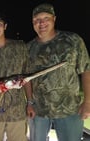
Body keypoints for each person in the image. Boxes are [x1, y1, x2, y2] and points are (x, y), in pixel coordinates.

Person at [27, 3, 90, 141]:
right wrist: (30, 103)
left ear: (54, 19)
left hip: (70, 109)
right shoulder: (29, 48)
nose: (41, 23)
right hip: (39, 111)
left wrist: (87, 102)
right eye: (37, 19)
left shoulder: (73, 40)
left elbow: (86, 70)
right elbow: (27, 79)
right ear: (33, 23)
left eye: (46, 18)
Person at [0, 11, 34, 141]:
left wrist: (30, 102)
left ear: (5, 26)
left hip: (17, 111)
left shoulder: (20, 47)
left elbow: (27, 79)